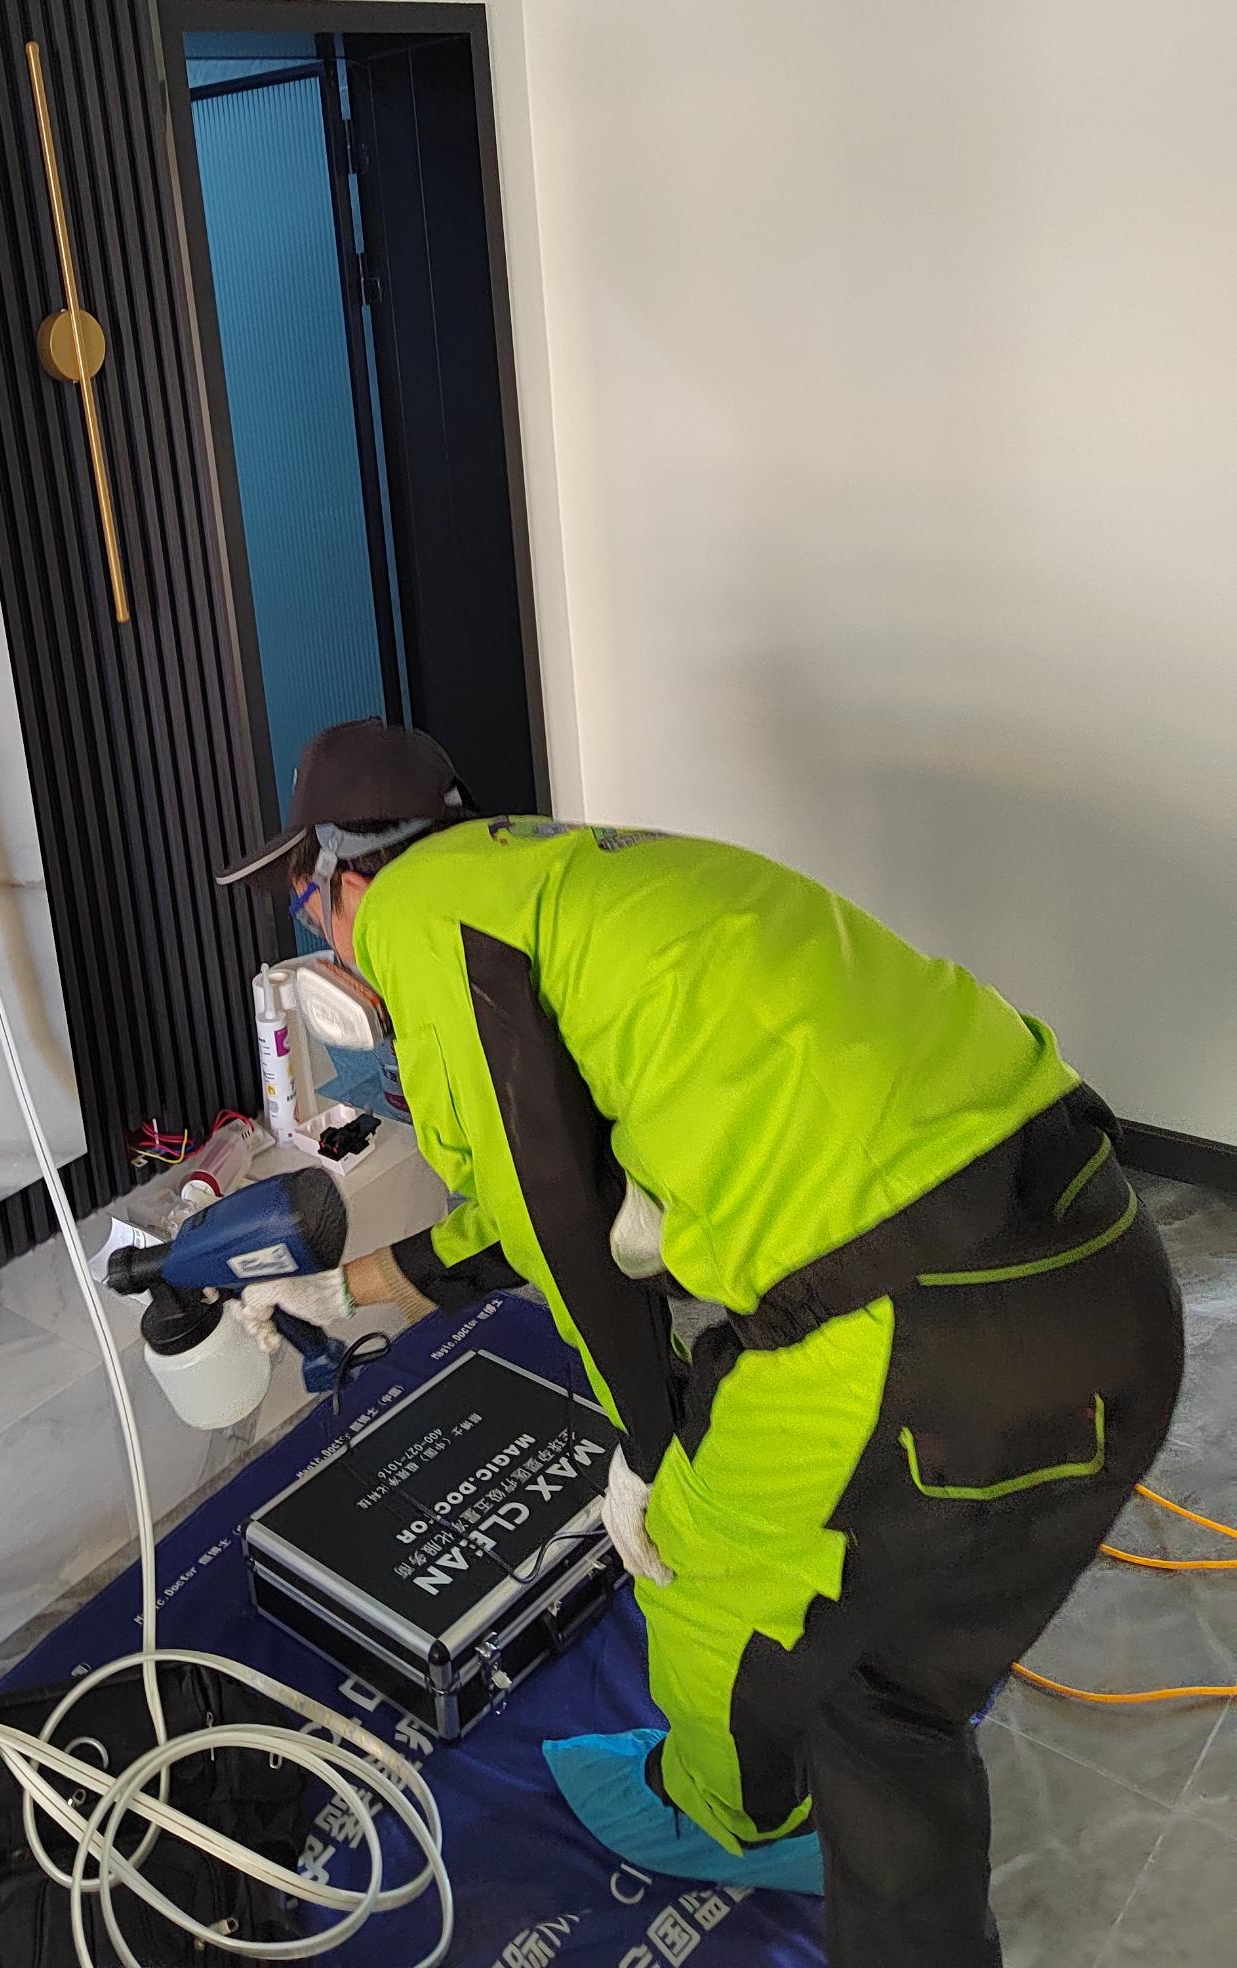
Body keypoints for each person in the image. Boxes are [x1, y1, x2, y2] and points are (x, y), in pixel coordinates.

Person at [217, 719, 1184, 1968]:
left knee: (726, 1583)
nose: (319, 933)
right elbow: (534, 1199)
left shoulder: (417, 914)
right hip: (1107, 1270)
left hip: (930, 1331)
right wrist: (344, 1289)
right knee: (893, 1668)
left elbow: (557, 1221)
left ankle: (725, 1809)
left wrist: (650, 1438)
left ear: (347, 870)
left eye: (308, 902)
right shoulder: (575, 875)